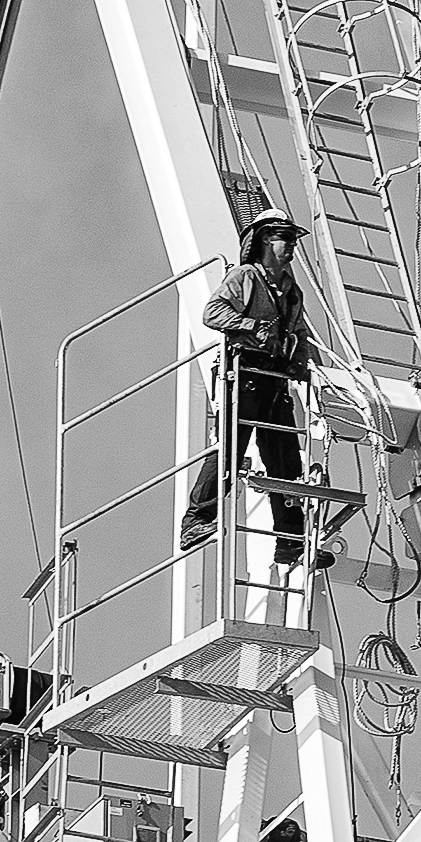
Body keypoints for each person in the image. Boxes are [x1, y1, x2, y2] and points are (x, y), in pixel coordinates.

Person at [179, 213, 318, 573]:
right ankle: (197, 519)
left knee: (286, 464)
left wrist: (300, 359)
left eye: (292, 238)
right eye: (283, 237)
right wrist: (249, 326)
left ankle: (291, 541)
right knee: (231, 447)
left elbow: (299, 332)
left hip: (274, 379)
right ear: (263, 240)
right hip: (245, 375)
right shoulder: (244, 277)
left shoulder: (290, 289)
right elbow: (213, 312)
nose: (290, 245)